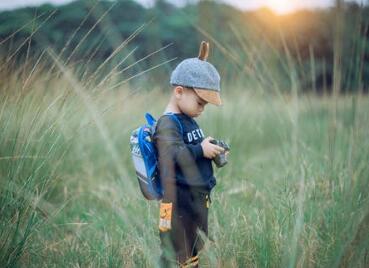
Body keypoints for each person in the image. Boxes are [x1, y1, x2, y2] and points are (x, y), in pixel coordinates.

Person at [153, 41, 226, 267]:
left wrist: (210, 146)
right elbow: (173, 153)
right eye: (200, 102)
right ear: (179, 92)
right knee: (174, 247)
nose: (202, 108)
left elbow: (191, 147)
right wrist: (200, 149)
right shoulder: (167, 123)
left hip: (193, 199)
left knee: (192, 244)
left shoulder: (187, 120)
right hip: (177, 201)